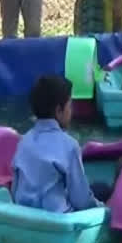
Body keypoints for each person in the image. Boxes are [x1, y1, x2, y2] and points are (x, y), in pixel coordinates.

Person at [11, 75, 106, 213]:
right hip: (58, 219)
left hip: (25, 215)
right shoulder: (69, 145)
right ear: (59, 111)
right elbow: (81, 200)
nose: (71, 111)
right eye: (70, 105)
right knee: (102, 189)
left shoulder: (23, 141)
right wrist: (104, 210)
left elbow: (15, 190)